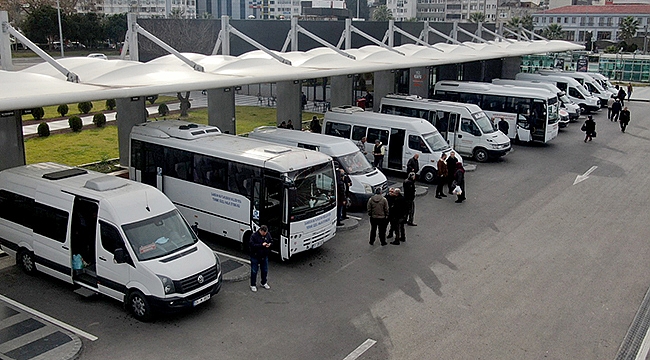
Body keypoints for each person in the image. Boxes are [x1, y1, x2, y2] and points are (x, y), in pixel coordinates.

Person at [249, 225, 273, 292]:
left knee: (265, 270)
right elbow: (252, 245)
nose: (265, 234)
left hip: (264, 256)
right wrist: (261, 245)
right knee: (254, 271)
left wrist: (270, 244)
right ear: (261, 230)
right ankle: (253, 285)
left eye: (266, 233)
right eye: (264, 233)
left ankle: (264, 282)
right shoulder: (254, 236)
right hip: (255, 256)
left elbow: (271, 241)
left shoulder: (267, 234)